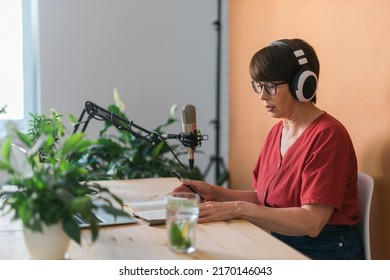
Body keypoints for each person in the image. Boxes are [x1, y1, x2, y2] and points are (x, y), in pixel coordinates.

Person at [174, 38, 364, 260]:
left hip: (326, 250)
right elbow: (265, 200)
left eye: (271, 86)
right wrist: (213, 193)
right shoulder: (278, 132)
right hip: (282, 240)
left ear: (302, 85)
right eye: (258, 85)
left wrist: (237, 208)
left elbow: (312, 223)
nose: (262, 96)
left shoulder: (328, 135)